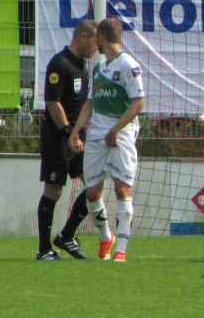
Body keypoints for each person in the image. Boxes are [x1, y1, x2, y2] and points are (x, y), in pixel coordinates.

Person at [68, 18, 144, 262]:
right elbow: (90, 103)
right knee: (91, 193)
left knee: (122, 189)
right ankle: (105, 237)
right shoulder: (100, 68)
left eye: (96, 38)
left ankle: (120, 249)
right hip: (96, 137)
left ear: (100, 36)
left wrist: (115, 129)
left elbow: (138, 102)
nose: (94, 44)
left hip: (120, 135)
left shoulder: (128, 65)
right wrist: (76, 131)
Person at [36, 19, 98, 261]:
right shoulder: (59, 64)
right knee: (54, 190)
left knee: (93, 185)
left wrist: (81, 132)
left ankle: (66, 235)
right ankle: (43, 250)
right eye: (94, 41)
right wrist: (66, 133)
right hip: (58, 139)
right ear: (82, 37)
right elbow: (53, 103)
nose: (96, 47)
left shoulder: (82, 66)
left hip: (77, 139)